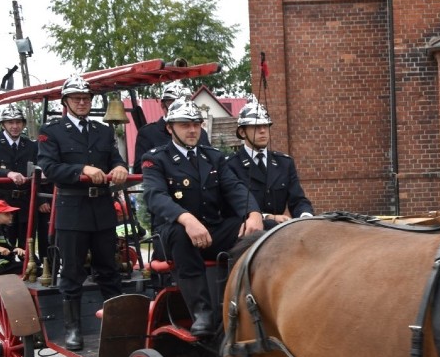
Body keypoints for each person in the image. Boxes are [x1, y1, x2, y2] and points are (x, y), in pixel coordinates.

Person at [142, 97, 263, 338]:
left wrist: (254, 213)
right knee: (180, 234)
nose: (192, 129)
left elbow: (235, 188)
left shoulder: (213, 157)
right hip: (173, 235)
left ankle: (253, 298)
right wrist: (186, 219)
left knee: (261, 229)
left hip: (211, 231)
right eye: (185, 124)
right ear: (170, 128)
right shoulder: (156, 159)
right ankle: (202, 312)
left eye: (196, 124)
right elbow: (155, 196)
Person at [37, 75, 129, 351]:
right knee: (72, 271)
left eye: (86, 98)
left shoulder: (102, 130)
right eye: (76, 98)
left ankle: (118, 326)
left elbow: (114, 157)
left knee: (109, 270)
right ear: (65, 102)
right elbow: (49, 167)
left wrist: (121, 166)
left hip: (101, 208)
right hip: (72, 209)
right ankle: (73, 329)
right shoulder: (51, 131)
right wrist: (82, 170)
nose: (81, 102)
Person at [228, 95, 314, 229]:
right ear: (242, 132)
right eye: (256, 127)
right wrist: (268, 217)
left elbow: (297, 200)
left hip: (278, 232)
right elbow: (231, 208)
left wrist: (306, 216)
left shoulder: (284, 163)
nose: (263, 131)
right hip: (247, 233)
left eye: (266, 126)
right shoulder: (231, 165)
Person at [0, 106, 51, 255]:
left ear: (23, 124)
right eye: (10, 122)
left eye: (18, 122)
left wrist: (41, 199)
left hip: (26, 202)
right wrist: (8, 173)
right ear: (3, 124)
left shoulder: (32, 145)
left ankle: (28, 271)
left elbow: (39, 173)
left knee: (27, 242)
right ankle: (4, 273)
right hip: (1, 202)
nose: (15, 126)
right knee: (2, 241)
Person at [132, 81, 210, 174]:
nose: (177, 108)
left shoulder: (200, 133)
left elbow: (209, 162)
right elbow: (139, 169)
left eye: (182, 103)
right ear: (162, 105)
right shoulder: (148, 133)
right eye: (172, 103)